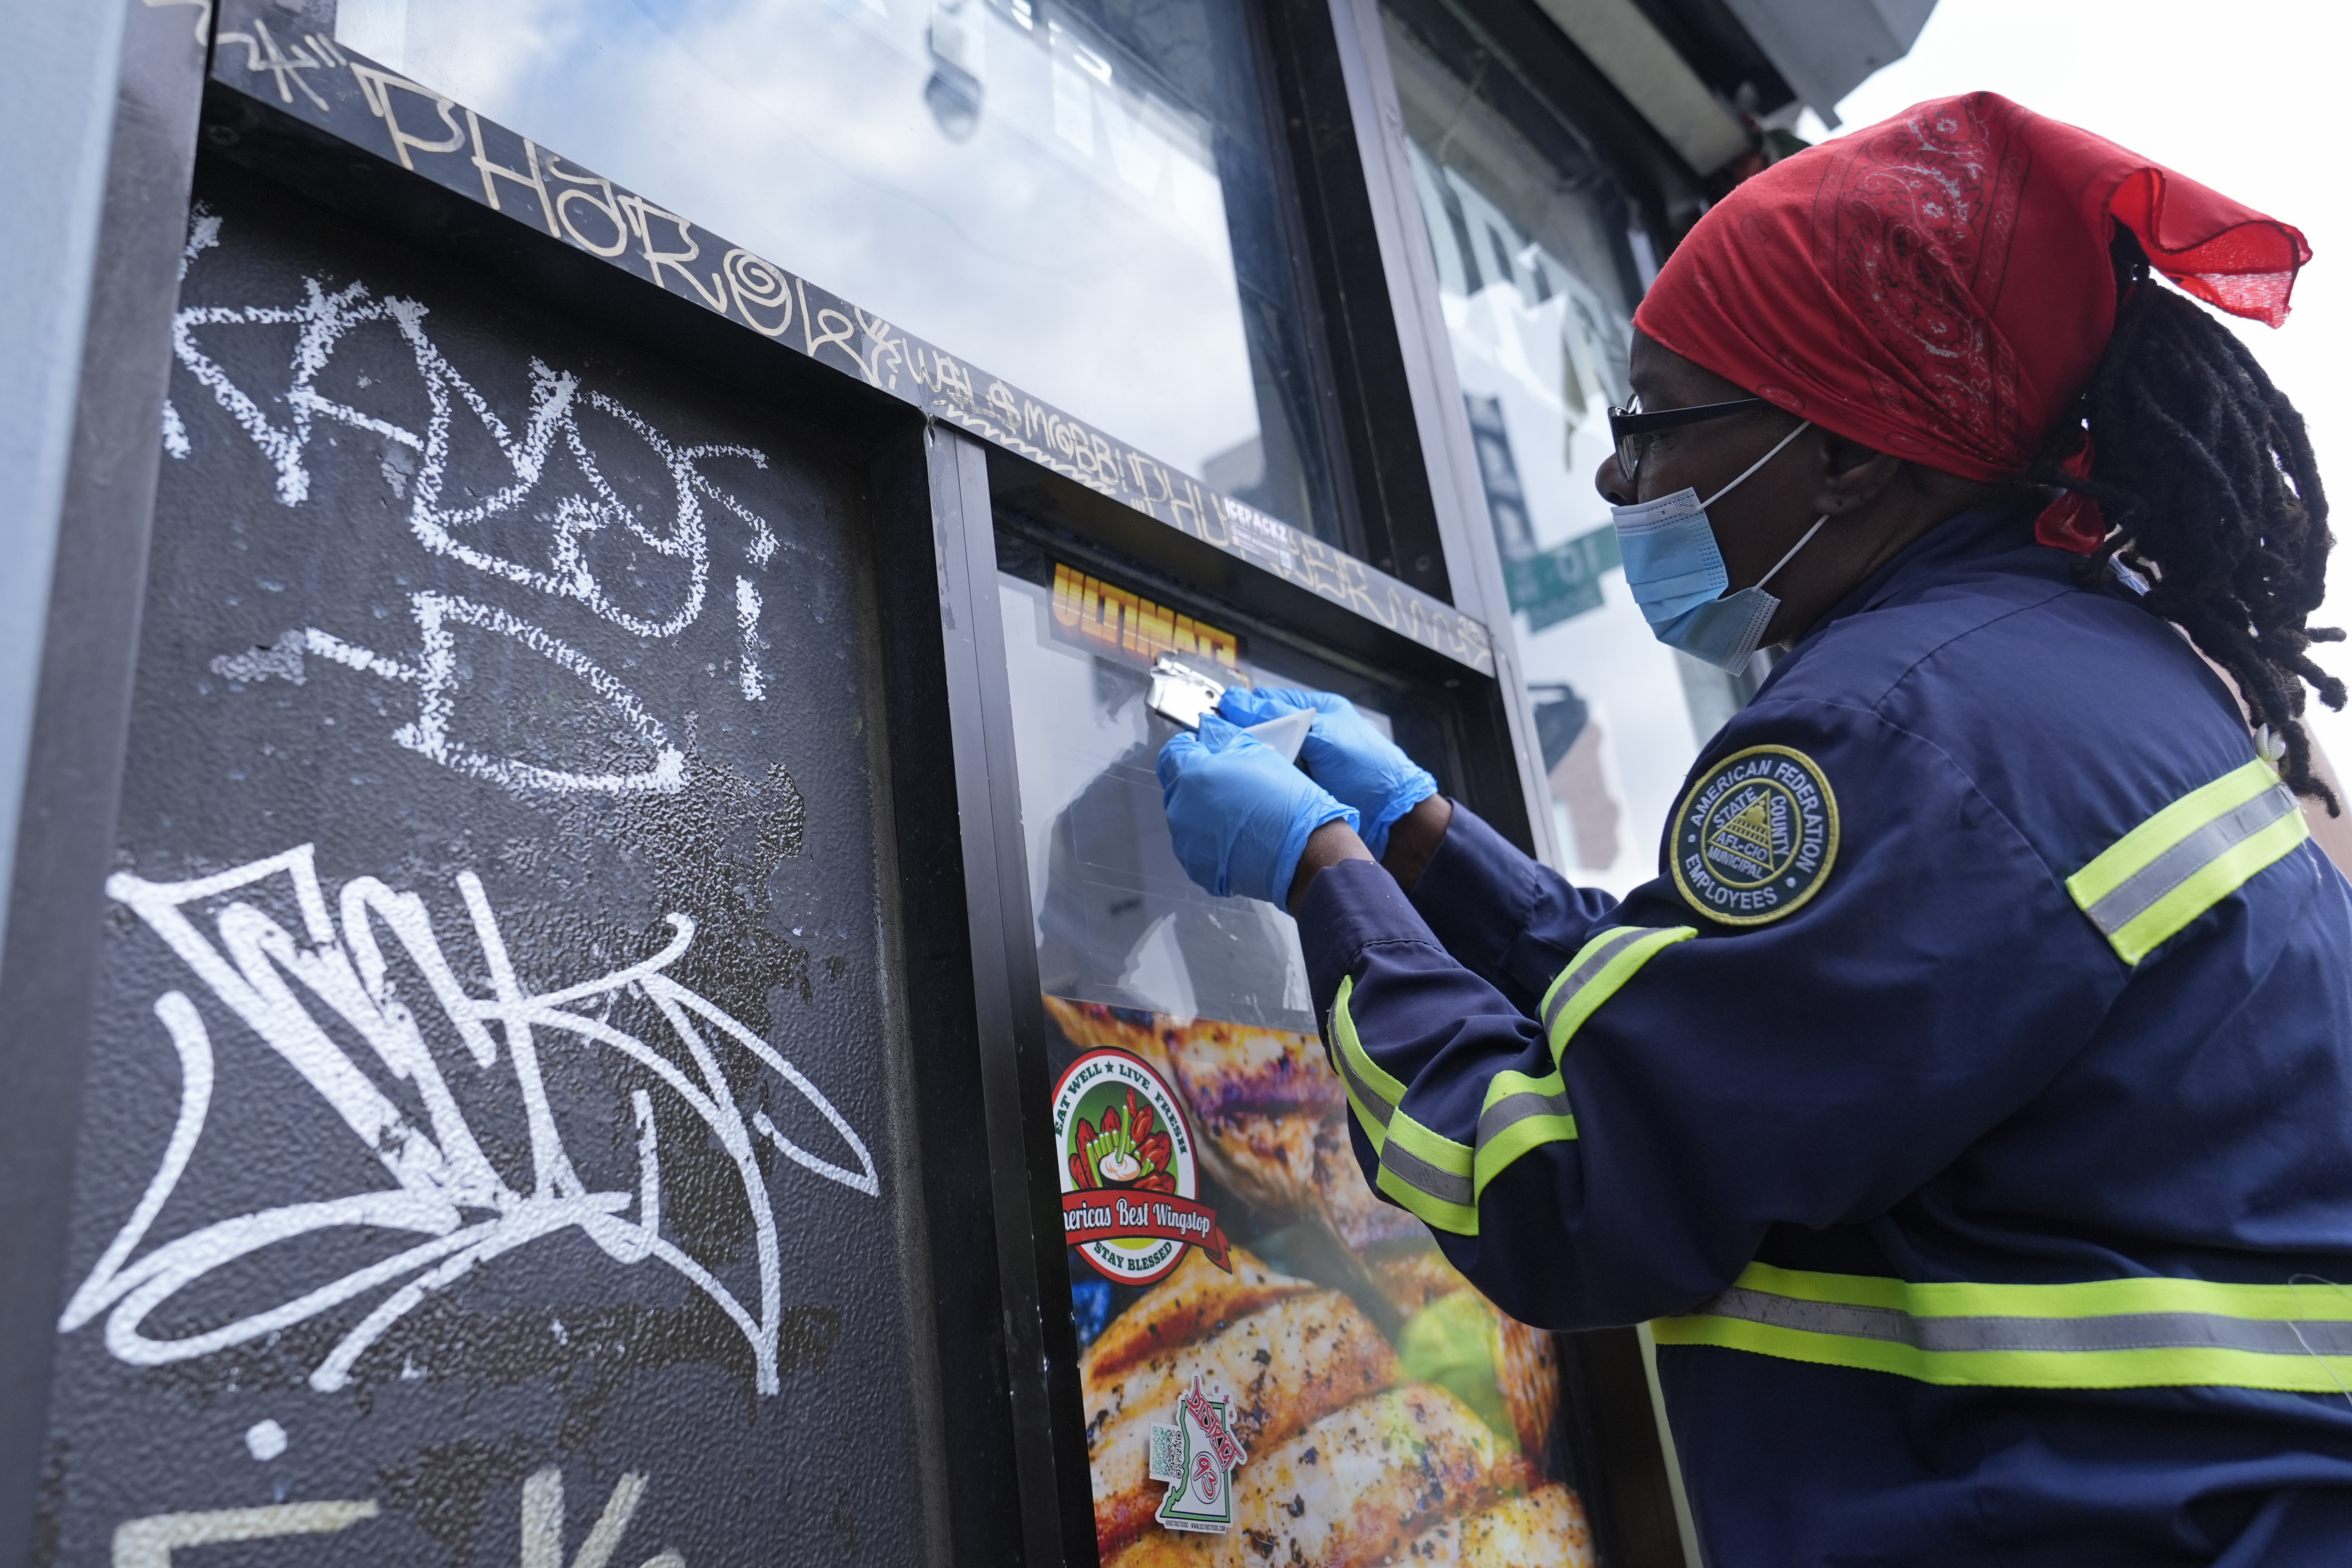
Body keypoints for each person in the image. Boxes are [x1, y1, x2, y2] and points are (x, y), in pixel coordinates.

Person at [1154, 93, 2352, 1563]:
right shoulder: (2076, 675)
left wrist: (1317, 874)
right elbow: (1752, 1028)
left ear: (1849, 461)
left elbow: (1559, 1188)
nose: (1612, 477)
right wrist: (1419, 837)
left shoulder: (1893, 733)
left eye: (1650, 424)